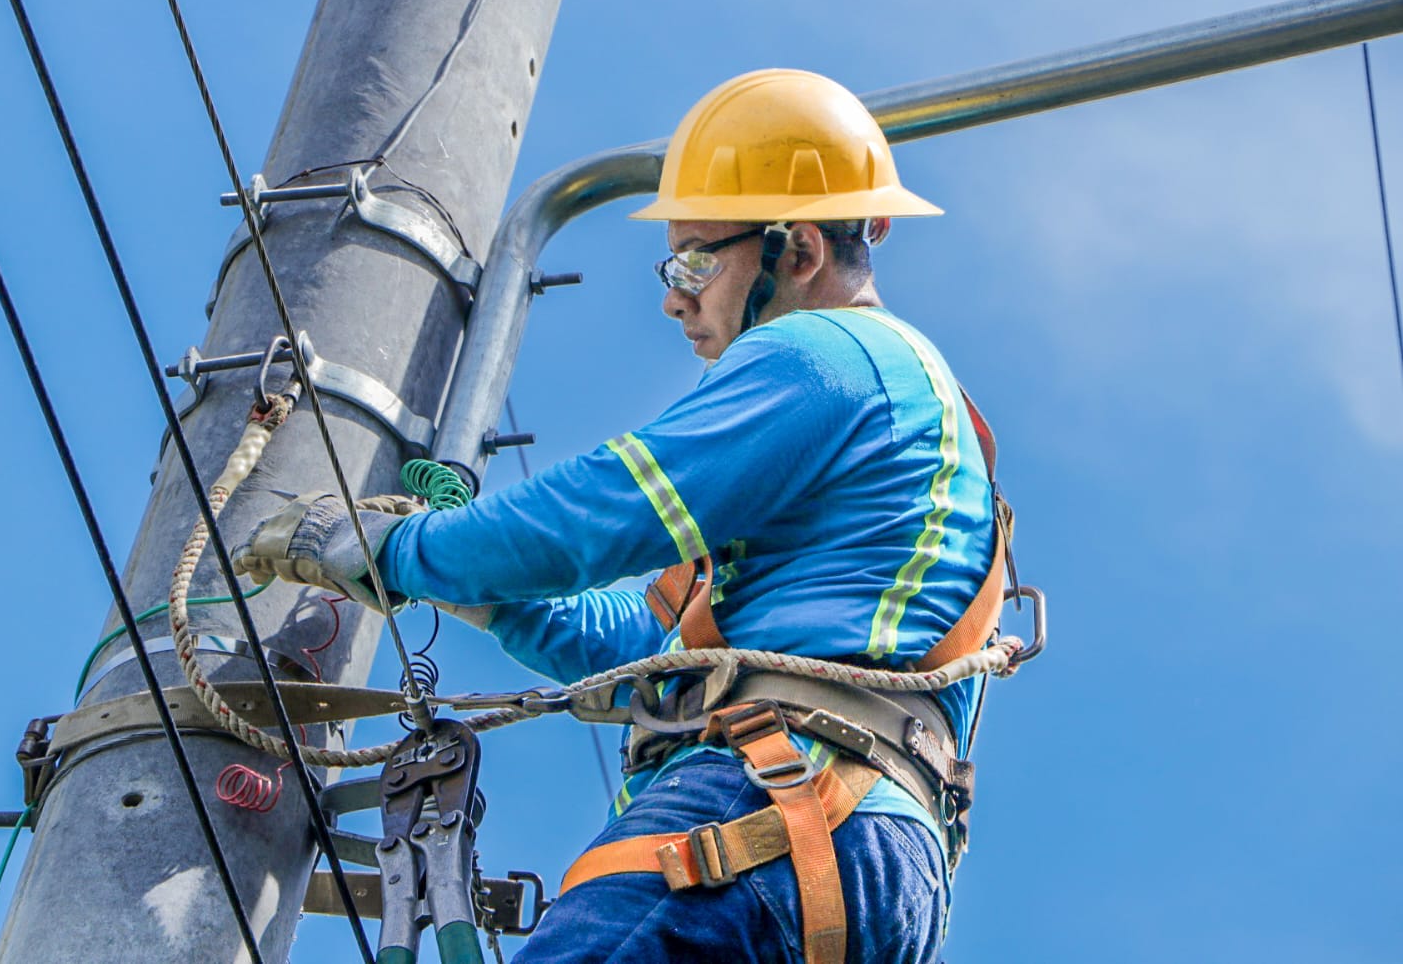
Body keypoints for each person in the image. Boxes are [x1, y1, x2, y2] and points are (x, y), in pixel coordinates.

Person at [235, 69, 1000, 964]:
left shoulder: (827, 355)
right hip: (862, 851)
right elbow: (640, 646)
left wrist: (394, 547)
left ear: (797, 253)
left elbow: (601, 513)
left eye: (695, 262)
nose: (674, 297)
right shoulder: (869, 454)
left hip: (774, 799)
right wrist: (475, 591)